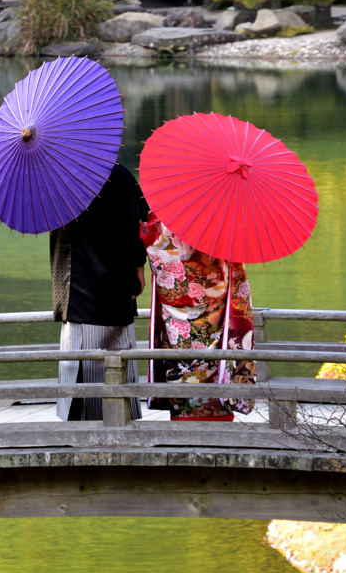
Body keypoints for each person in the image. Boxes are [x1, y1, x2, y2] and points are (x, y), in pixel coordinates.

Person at [52, 162, 149, 421]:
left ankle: (80, 425)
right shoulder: (117, 173)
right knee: (114, 354)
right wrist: (139, 266)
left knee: (77, 358)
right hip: (113, 278)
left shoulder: (56, 174)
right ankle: (116, 418)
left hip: (71, 283)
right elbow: (137, 226)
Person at [141, 211, 256, 420]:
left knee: (180, 365)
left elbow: (152, 250)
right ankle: (218, 416)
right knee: (214, 362)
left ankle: (183, 416)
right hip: (215, 305)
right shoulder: (219, 216)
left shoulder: (161, 216)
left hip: (175, 308)